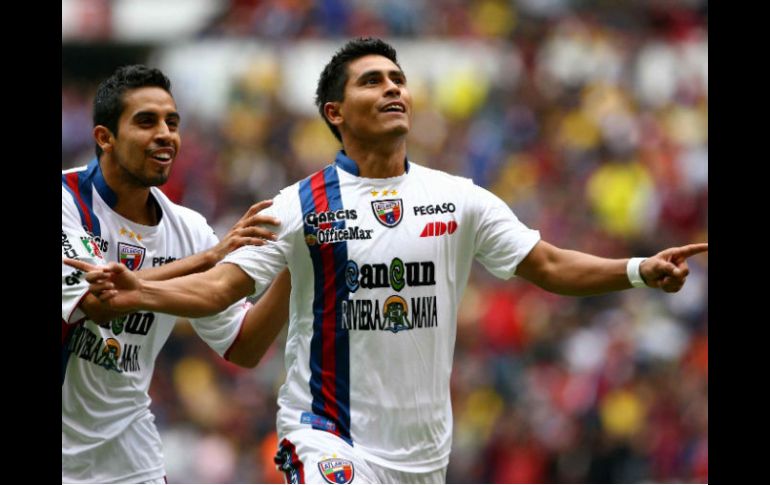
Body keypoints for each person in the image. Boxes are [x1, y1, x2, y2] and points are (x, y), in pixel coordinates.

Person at [66, 39, 707, 484]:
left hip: (420, 452)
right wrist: (148, 288)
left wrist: (636, 270)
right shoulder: (299, 205)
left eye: (398, 79)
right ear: (335, 113)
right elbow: (213, 290)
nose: (394, 88)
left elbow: (550, 266)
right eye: (373, 80)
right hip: (325, 435)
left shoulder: (458, 198)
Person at [61, 64, 291, 484]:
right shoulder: (66, 203)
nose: (165, 134)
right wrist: (208, 259)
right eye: (146, 122)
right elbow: (100, 302)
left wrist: (297, 269)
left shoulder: (188, 230)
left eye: (172, 122)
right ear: (104, 138)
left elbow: (243, 346)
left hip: (132, 464)